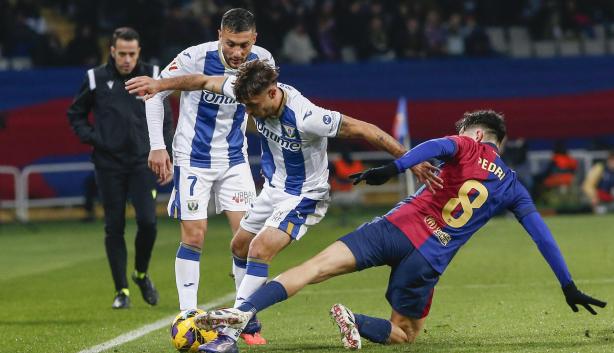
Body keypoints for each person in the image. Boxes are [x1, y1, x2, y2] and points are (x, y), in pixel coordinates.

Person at [191, 110, 606, 351]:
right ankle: (356, 321)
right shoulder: (514, 186)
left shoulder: (467, 144)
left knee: (315, 267)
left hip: (394, 227)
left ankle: (244, 312)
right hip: (429, 258)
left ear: (477, 134)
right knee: (405, 334)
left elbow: (434, 148)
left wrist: (393, 166)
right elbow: (541, 235)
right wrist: (567, 284)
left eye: (463, 133)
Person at [126, 59, 441, 353]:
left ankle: (229, 335)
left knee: (260, 250)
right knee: (239, 246)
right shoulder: (248, 90)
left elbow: (364, 129)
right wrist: (161, 84)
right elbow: (203, 80)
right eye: (245, 105)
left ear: (273, 92)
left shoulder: (307, 116)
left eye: (252, 105)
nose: (248, 111)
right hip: (274, 190)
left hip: (305, 195)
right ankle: (249, 316)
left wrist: (409, 162)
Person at [142, 8, 275, 345]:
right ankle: (188, 317)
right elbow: (155, 94)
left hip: (234, 160)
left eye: (244, 45)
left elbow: (268, 109)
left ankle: (245, 320)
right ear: (220, 35)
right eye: (231, 44)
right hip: (192, 159)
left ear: (254, 40)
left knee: (247, 240)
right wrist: (158, 146)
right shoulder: (193, 57)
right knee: (194, 236)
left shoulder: (263, 61)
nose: (237, 52)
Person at [67, 27, 174, 309]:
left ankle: (140, 274)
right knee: (114, 227)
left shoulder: (153, 74)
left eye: (131, 53)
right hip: (109, 165)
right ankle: (121, 291)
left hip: (142, 163)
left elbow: (166, 117)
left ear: (138, 52)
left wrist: (166, 152)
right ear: (112, 51)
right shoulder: (95, 78)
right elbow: (75, 113)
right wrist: (95, 139)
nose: (127, 59)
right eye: (121, 53)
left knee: (148, 224)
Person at [582, 150, 614, 214]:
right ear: (608, 160)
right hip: (601, 200)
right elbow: (587, 185)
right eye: (613, 159)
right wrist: (593, 197)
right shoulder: (600, 168)